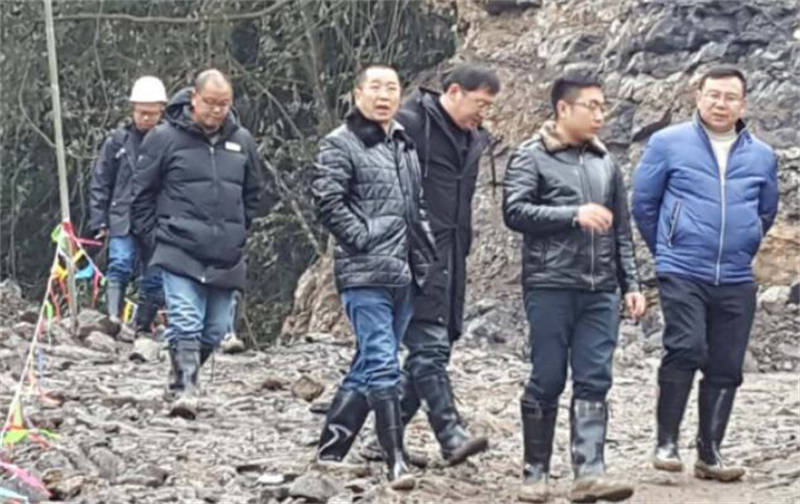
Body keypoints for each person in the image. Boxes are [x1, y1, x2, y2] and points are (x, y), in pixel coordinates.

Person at [503, 74, 646, 503]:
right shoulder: (531, 156)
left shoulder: (605, 162)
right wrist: (572, 214)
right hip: (550, 283)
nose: (600, 115)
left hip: (601, 288)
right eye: (592, 106)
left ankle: (590, 471)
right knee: (547, 376)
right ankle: (535, 471)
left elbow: (621, 230)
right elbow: (515, 211)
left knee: (595, 376)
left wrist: (631, 283)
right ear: (563, 108)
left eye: (604, 106)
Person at [632, 65, 779, 482]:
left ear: (743, 104)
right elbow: (644, 203)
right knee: (686, 346)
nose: (720, 104)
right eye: (713, 95)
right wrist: (667, 248)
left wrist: (746, 242)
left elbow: (766, 210)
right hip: (682, 268)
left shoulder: (762, 155)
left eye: (730, 97)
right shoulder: (667, 143)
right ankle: (666, 442)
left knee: (728, 364)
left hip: (736, 275)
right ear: (698, 97)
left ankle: (709, 452)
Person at [363, 63, 500, 466]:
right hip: (410, 252)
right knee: (429, 346)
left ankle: (383, 440)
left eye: (489, 106)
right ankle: (451, 433)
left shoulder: (472, 138)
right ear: (454, 92)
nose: (484, 113)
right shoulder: (408, 125)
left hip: (452, 253)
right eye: (480, 104)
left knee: (437, 346)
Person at [311, 64, 436, 489]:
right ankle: (395, 459)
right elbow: (327, 201)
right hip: (364, 271)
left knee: (368, 362)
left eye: (392, 88)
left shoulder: (403, 143)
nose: (384, 96)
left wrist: (426, 247)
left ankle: (330, 452)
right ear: (357, 93)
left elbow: (416, 203)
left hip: (405, 270)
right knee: (383, 361)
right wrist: (362, 238)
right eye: (376, 88)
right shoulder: (340, 143)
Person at [131, 69, 264, 419]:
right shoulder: (164, 137)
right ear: (194, 99)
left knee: (216, 328)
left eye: (224, 104)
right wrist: (156, 238)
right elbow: (141, 194)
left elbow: (254, 194)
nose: (216, 110)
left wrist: (238, 232)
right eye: (210, 103)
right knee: (186, 319)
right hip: (178, 246)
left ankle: (182, 373)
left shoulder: (242, 141)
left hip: (226, 252)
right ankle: (185, 388)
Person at [89, 76, 167, 340]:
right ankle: (113, 319)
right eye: (142, 112)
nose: (146, 118)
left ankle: (142, 327)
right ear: (133, 109)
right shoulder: (117, 141)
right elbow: (101, 180)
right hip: (122, 215)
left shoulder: (170, 143)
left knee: (155, 276)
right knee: (119, 264)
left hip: (157, 220)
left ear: (161, 111)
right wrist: (99, 220)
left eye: (152, 113)